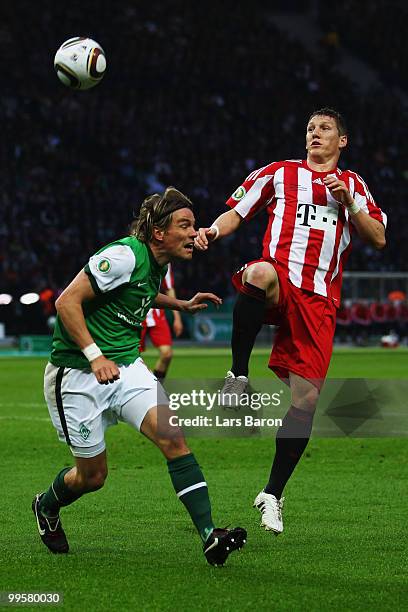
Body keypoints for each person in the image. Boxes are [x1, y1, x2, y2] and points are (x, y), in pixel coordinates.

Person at [194, 108, 387, 535]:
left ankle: (272, 494)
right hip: (281, 279)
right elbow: (237, 213)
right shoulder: (279, 173)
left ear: (343, 141)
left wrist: (349, 202)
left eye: (324, 129)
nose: (314, 134)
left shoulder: (355, 186)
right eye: (310, 129)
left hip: (319, 300)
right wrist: (212, 230)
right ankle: (238, 376)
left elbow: (378, 237)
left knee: (305, 403)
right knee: (258, 272)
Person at [32, 187, 246, 566]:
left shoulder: (158, 260)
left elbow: (140, 291)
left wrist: (178, 303)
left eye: (194, 225)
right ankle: (46, 505)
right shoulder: (121, 255)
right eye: (185, 225)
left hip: (127, 369)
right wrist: (95, 355)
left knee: (173, 439)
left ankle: (210, 536)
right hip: (77, 377)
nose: (194, 233)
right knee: (92, 477)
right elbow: (67, 301)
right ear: (159, 232)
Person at [140, 263, 183, 380]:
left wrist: (177, 318)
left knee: (167, 354)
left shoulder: (166, 262)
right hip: (137, 314)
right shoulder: (139, 256)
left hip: (157, 315)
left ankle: (157, 388)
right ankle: (152, 387)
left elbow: (169, 289)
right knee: (133, 358)